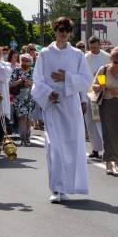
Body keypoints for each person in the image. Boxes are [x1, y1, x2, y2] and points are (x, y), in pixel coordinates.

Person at [31, 17, 90, 203]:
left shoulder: (77, 55)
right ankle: (56, 188)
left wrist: (67, 77)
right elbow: (37, 80)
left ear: (70, 33)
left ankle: (68, 186)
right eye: (60, 29)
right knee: (54, 148)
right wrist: (49, 93)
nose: (63, 33)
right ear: (55, 31)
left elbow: (87, 80)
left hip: (71, 107)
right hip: (53, 107)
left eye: (66, 30)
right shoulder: (45, 54)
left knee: (71, 147)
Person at [92, 47, 118, 175]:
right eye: (116, 62)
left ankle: (117, 159)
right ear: (111, 60)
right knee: (108, 133)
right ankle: (108, 162)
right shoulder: (104, 70)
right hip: (107, 103)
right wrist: (100, 86)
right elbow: (94, 86)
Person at [83, 36, 110, 158]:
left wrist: (99, 79)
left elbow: (108, 73)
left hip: (101, 93)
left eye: (95, 47)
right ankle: (95, 148)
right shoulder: (85, 57)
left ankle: (107, 148)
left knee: (100, 121)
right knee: (90, 122)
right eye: (91, 47)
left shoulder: (106, 57)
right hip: (88, 92)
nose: (93, 49)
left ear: (100, 45)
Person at [10, 54, 36, 146]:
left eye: (26, 61)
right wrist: (20, 81)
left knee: (28, 119)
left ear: (30, 62)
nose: (24, 62)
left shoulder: (34, 71)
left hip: (30, 98)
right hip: (19, 98)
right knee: (22, 118)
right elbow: (10, 84)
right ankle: (23, 138)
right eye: (23, 60)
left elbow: (39, 83)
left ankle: (27, 137)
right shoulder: (16, 71)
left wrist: (31, 83)